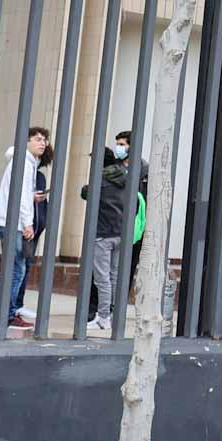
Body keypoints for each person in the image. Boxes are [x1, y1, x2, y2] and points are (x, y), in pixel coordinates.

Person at [79, 130, 145, 334]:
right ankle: (115, 315)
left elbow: (85, 193)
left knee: (102, 277)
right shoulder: (128, 179)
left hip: (103, 233)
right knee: (116, 276)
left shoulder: (103, 179)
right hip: (122, 233)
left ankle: (103, 317)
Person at [0, 127, 49, 329]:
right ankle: (5, 315)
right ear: (26, 142)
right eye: (38, 139)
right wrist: (27, 223)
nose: (42, 143)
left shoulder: (26, 162)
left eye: (45, 140)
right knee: (16, 270)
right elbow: (21, 196)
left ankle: (1, 313)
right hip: (12, 222)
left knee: (12, 268)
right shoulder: (24, 162)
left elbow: (22, 193)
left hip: (7, 220)